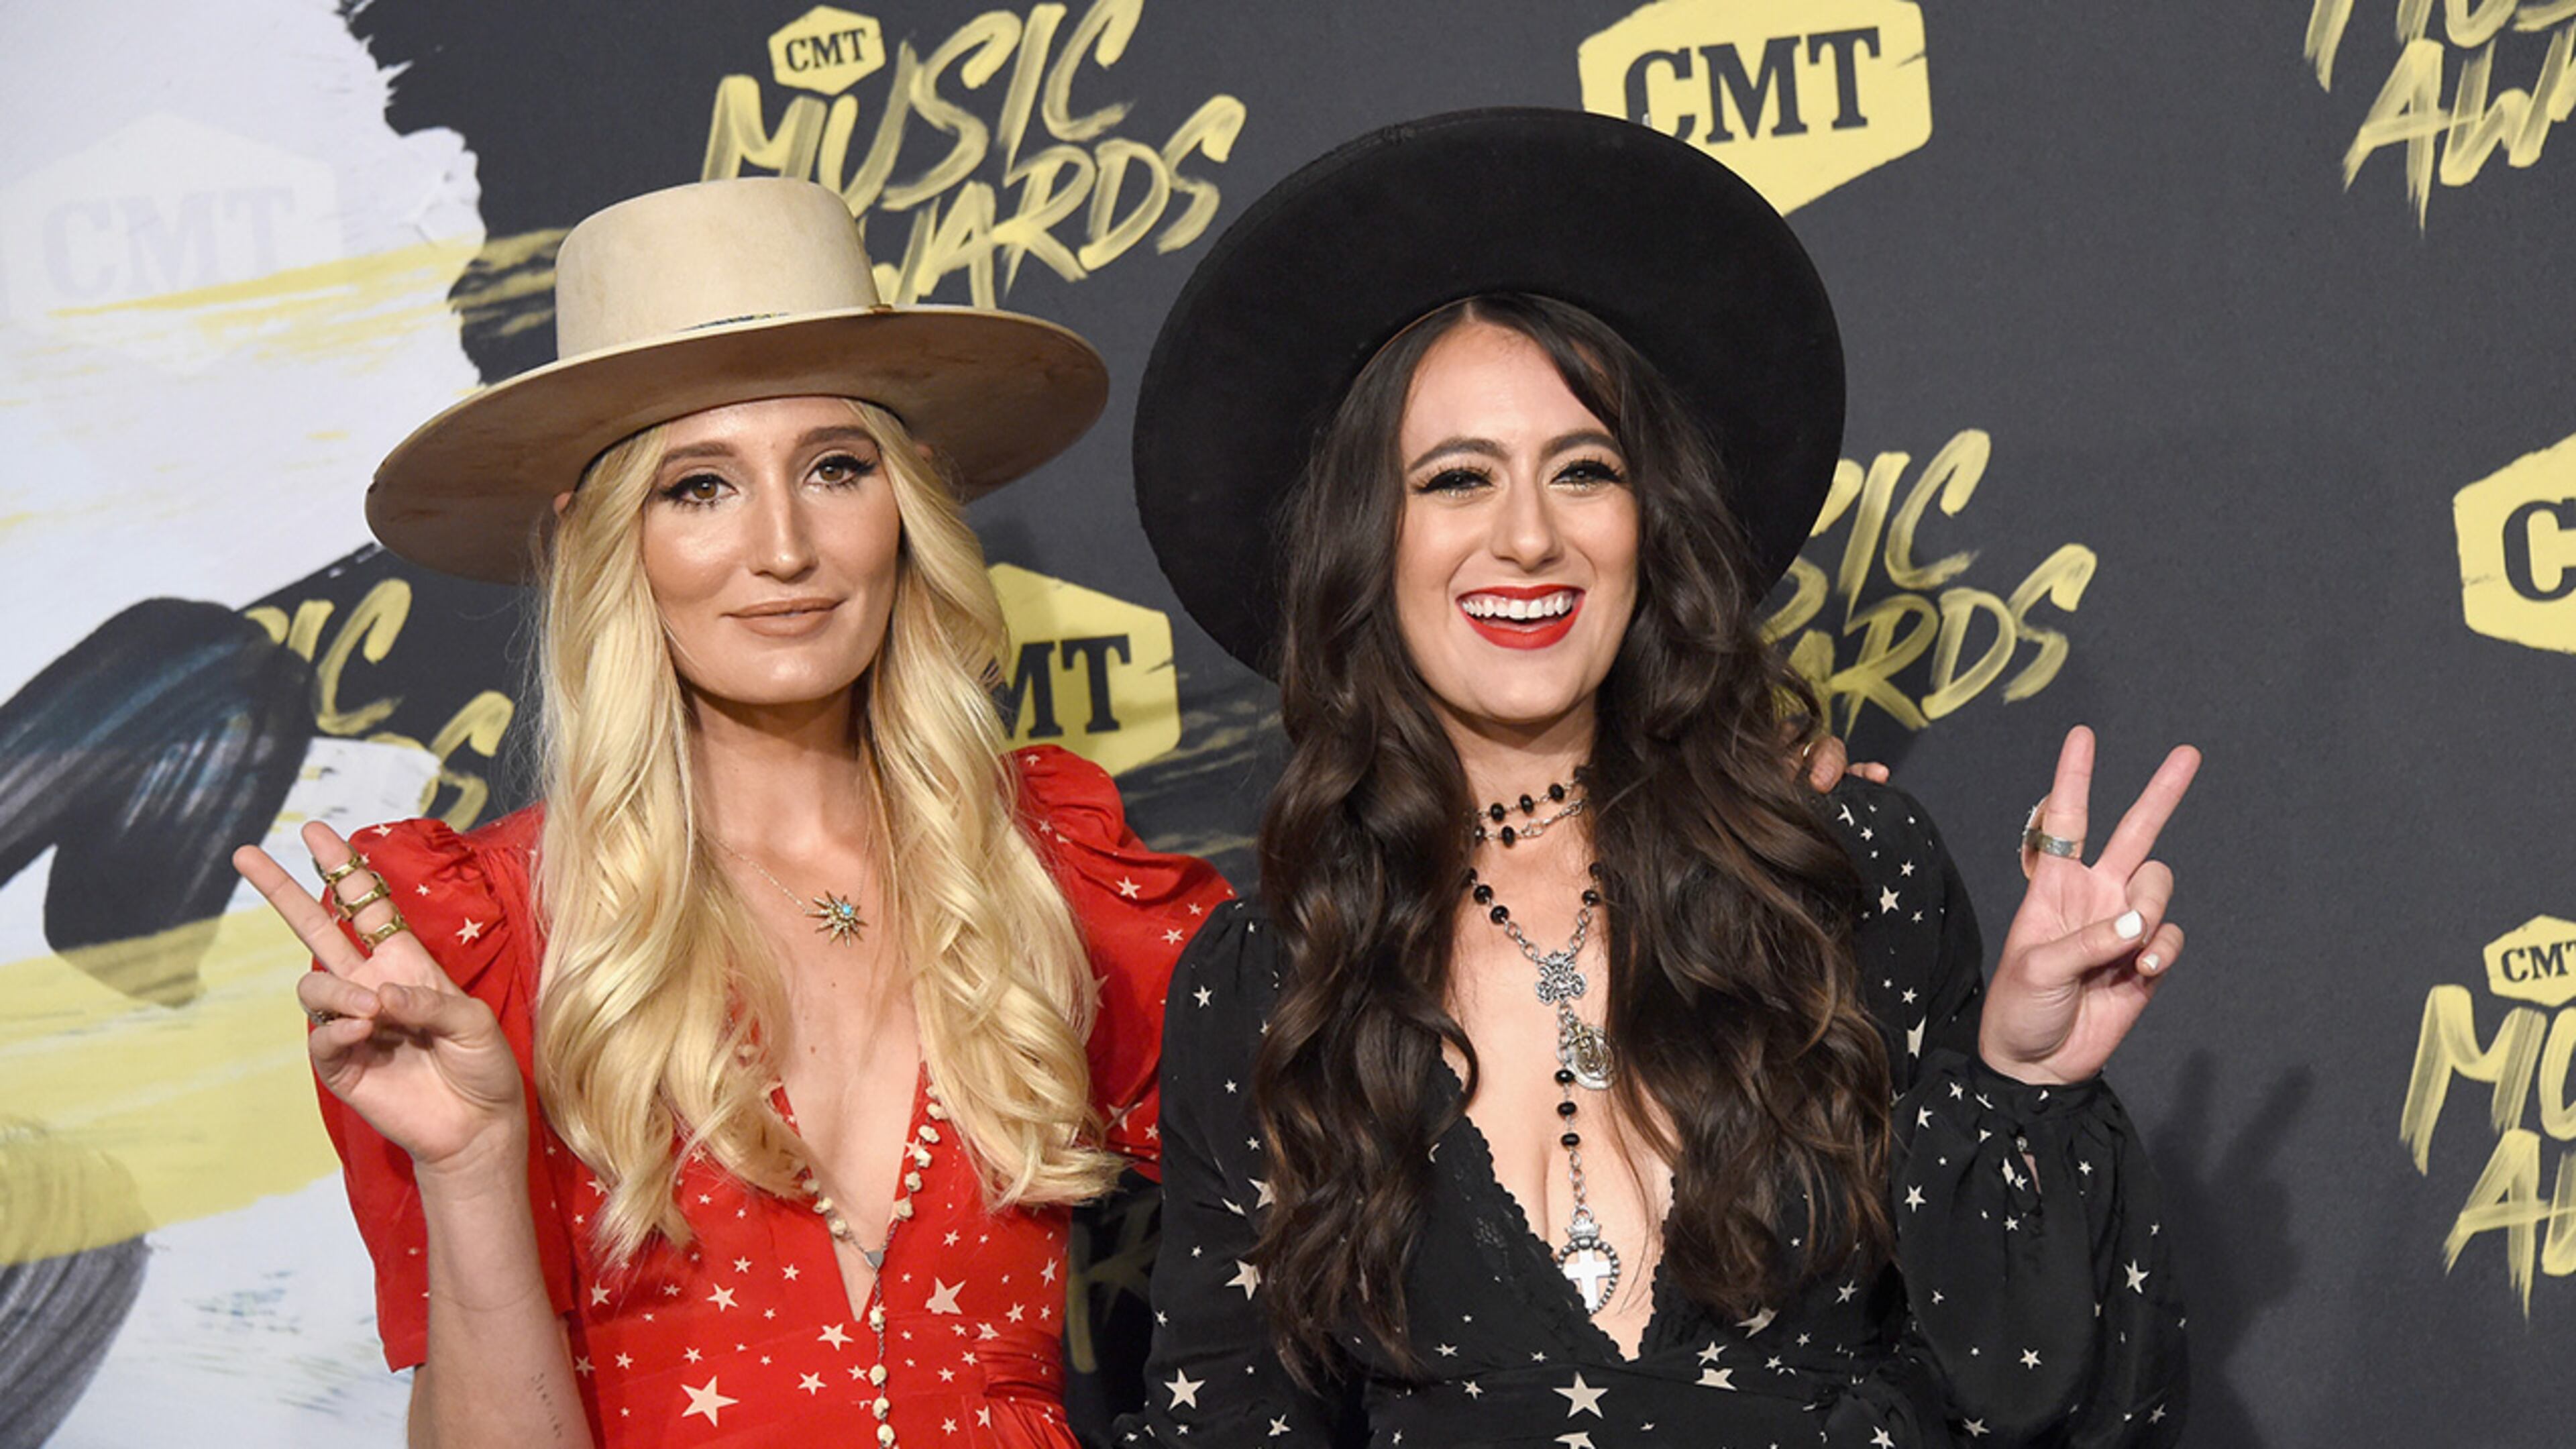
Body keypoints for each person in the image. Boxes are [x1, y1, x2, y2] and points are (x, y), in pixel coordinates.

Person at [1119, 109, 2199, 1446]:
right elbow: (1224, 1420)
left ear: (1653, 526)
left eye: (1586, 471)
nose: (1529, 535)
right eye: (1457, 480)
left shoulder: (1846, 875)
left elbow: (2029, 1392)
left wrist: (2020, 1087)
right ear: (1364, 544)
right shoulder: (1272, 979)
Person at [231, 176, 1238, 1448]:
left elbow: (1352, 1186)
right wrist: (474, 1164)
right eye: (698, 488)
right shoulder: (480, 937)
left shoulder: (1056, 871)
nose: (783, 548)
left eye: (833, 469)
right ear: (602, 544)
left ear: (909, 502)